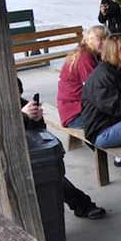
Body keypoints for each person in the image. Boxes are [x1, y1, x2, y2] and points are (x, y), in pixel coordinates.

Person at [16, 78, 106, 219]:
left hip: (27, 155)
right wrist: (22, 117)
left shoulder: (20, 103)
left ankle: (83, 205)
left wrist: (37, 119)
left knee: (53, 177)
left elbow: (39, 133)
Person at [81, 34, 121, 149]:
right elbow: (117, 109)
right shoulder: (102, 76)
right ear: (114, 51)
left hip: (115, 123)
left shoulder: (120, 69)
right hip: (101, 132)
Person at [57, 25, 108, 128]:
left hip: (74, 109)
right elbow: (97, 88)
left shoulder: (91, 53)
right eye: (100, 39)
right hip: (74, 114)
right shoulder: (85, 57)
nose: (104, 43)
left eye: (106, 39)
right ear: (89, 40)